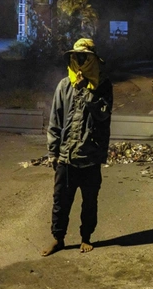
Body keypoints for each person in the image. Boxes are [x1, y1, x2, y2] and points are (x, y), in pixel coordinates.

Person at [41, 38, 113, 256]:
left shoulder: (103, 85)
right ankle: (58, 238)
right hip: (66, 157)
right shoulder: (64, 85)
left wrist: (89, 92)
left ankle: (86, 237)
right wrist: (53, 152)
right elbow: (55, 120)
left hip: (91, 156)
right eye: (77, 56)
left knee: (89, 201)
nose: (80, 61)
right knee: (61, 200)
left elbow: (103, 114)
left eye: (85, 57)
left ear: (93, 60)